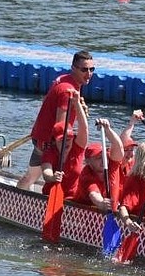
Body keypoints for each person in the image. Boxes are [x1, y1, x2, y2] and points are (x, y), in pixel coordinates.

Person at [18, 50, 94, 191]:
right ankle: (15, 201)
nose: (88, 73)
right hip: (49, 142)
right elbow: (61, 125)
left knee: (32, 176)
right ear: (74, 68)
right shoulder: (67, 91)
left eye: (91, 69)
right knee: (32, 177)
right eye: (84, 69)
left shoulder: (64, 79)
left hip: (42, 135)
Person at [37, 93, 90, 197]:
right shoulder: (49, 152)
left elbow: (84, 128)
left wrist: (77, 103)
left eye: (69, 139)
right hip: (51, 195)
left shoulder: (77, 148)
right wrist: (52, 177)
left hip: (73, 198)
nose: (67, 142)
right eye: (62, 140)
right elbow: (46, 171)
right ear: (54, 141)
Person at [72, 118, 125, 210]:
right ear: (88, 161)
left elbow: (119, 147)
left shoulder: (111, 164)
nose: (103, 160)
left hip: (111, 212)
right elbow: (93, 194)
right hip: (84, 216)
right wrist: (101, 203)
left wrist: (108, 130)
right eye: (98, 158)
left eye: (104, 156)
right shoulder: (86, 175)